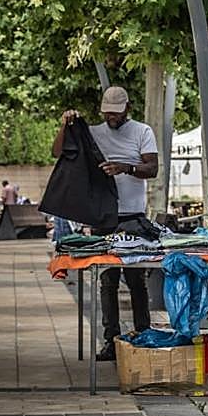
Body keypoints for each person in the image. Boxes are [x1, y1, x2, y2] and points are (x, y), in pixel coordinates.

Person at [53, 86, 159, 361]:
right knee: (107, 281)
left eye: (117, 114)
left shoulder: (142, 131)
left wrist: (125, 167)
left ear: (128, 109)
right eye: (107, 114)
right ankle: (111, 340)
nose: (112, 119)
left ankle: (142, 333)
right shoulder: (95, 133)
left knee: (136, 279)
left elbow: (153, 168)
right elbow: (58, 152)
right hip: (104, 216)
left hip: (133, 216)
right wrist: (66, 125)